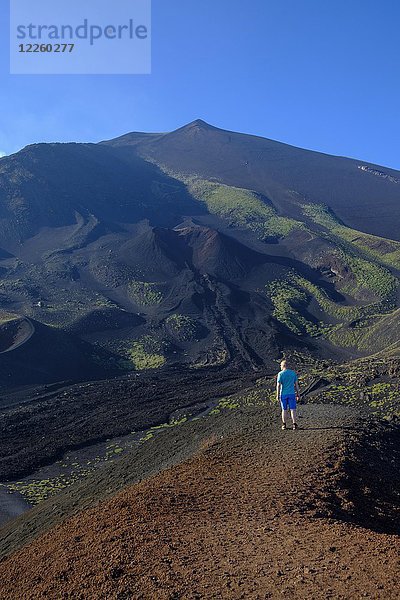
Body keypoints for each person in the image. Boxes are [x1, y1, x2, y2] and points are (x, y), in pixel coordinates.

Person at [276, 359, 301, 430]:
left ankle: (284, 425)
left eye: (280, 365)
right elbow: (296, 385)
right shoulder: (293, 373)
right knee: (293, 409)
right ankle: (294, 425)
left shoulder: (280, 374)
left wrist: (277, 395)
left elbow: (278, 385)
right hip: (292, 394)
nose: (280, 366)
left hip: (283, 394)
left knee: (284, 410)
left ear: (283, 366)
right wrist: (298, 394)